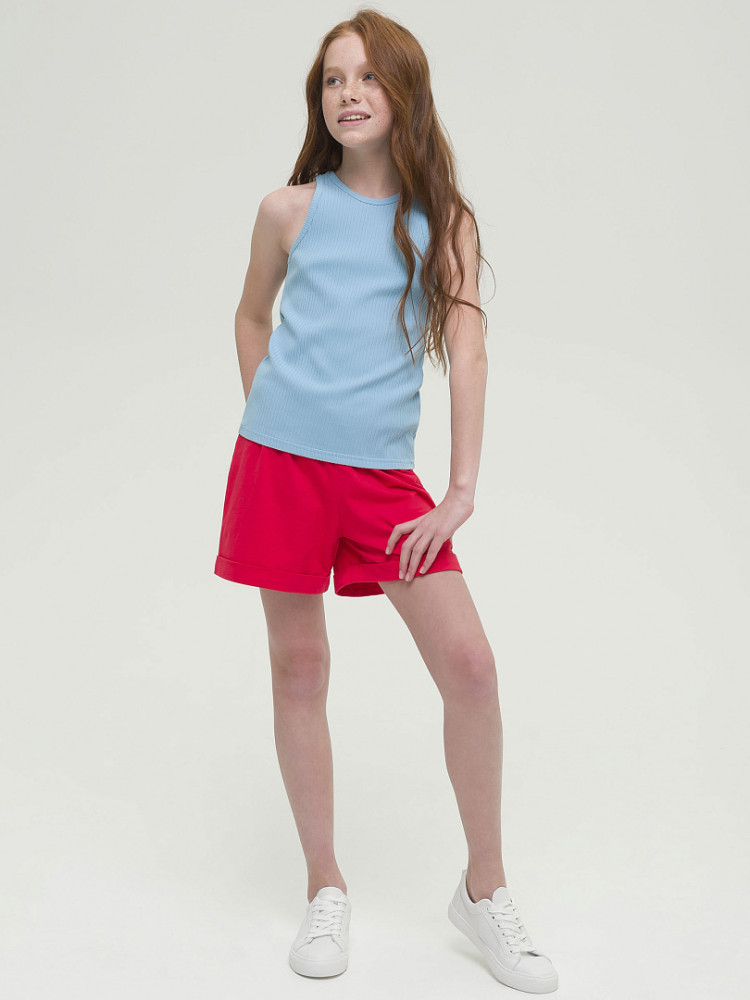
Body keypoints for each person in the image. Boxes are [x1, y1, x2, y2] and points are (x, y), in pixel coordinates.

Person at [213, 8, 558, 993]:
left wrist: (458, 491)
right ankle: (325, 884)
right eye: (333, 79)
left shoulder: (442, 221)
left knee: (472, 669)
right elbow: (250, 316)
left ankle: (484, 888)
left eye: (368, 77)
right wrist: (273, 414)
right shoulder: (288, 210)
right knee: (300, 669)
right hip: (280, 468)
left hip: (381, 484)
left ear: (405, 92)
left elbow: (469, 352)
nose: (349, 94)